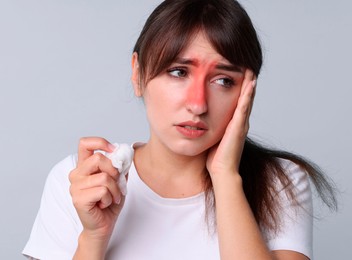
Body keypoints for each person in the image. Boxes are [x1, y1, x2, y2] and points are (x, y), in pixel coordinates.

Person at [23, 0, 337, 259]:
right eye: (178, 72)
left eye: (223, 80)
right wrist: (94, 236)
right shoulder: (81, 181)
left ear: (248, 92)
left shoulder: (278, 182)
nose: (198, 104)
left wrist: (226, 178)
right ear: (138, 73)